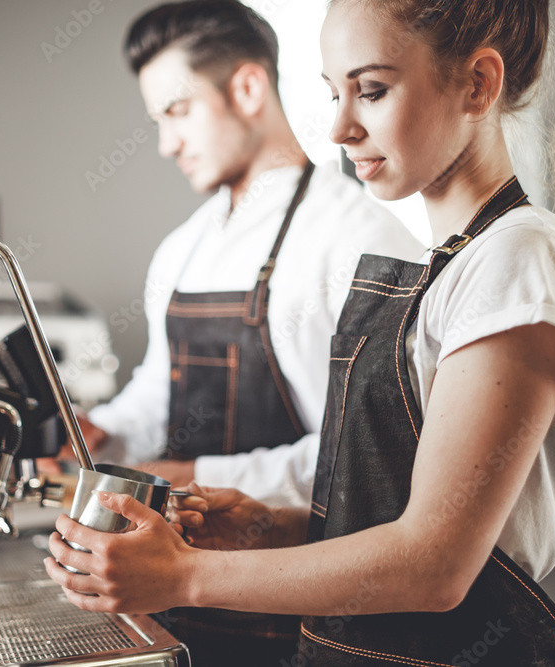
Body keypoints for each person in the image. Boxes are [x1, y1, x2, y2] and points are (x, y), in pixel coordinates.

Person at [45, 0, 555, 665]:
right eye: (333, 93)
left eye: (371, 90)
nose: (341, 127)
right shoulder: (452, 264)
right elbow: (396, 510)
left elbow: (434, 564)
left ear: (478, 85)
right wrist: (267, 525)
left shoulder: (519, 258)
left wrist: (184, 574)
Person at [55, 0, 422, 508]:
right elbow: (162, 390)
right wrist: (101, 433)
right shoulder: (181, 249)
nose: (166, 143)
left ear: (248, 89)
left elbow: (370, 455)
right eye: (158, 119)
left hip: (302, 568)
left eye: (178, 111)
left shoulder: (359, 242)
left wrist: (190, 476)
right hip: (187, 566)